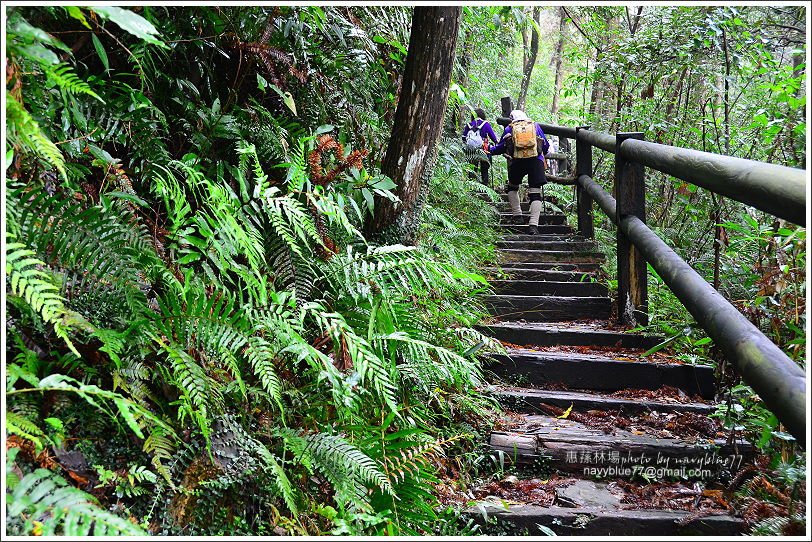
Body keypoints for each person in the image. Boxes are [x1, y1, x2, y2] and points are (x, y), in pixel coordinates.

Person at [488, 109, 550, 235]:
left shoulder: (509, 129)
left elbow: (501, 147)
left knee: (512, 187)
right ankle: (533, 225)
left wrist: (490, 150)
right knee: (535, 193)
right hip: (536, 161)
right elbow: (545, 146)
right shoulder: (535, 126)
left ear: (512, 118)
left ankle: (518, 216)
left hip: (517, 161)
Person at [461, 108, 499, 186]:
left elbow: (463, 137)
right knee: (484, 167)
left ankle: (472, 184)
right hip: (483, 148)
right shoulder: (485, 124)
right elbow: (493, 136)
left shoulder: (469, 124)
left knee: (472, 166)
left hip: (471, 149)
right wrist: (496, 143)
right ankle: (484, 184)